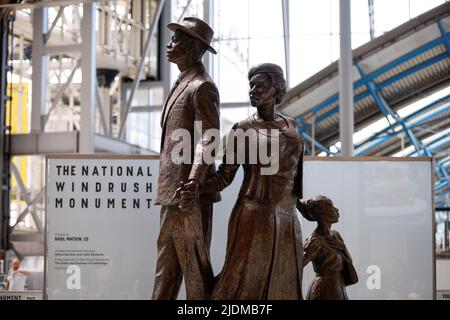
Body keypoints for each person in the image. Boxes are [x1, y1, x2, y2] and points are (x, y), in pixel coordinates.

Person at [181, 63, 305, 299]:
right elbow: (225, 177)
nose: (254, 90)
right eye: (251, 86)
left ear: (276, 88)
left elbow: (294, 174)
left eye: (261, 85)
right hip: (254, 214)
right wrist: (196, 187)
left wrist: (302, 205)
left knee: (285, 279)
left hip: (288, 216)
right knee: (244, 281)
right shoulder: (243, 129)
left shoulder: (292, 125)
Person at [152, 17, 220, 300]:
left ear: (193, 47)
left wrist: (193, 182)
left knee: (194, 271)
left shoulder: (202, 86)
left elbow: (210, 138)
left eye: (176, 39)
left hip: (188, 194)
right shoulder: (184, 83)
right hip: (174, 193)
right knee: (167, 268)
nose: (169, 44)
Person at [298, 195, 358, 300]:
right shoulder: (315, 240)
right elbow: (298, 266)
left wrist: (343, 248)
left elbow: (347, 263)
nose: (336, 209)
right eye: (331, 207)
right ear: (323, 213)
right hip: (323, 289)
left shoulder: (335, 235)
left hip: (338, 285)